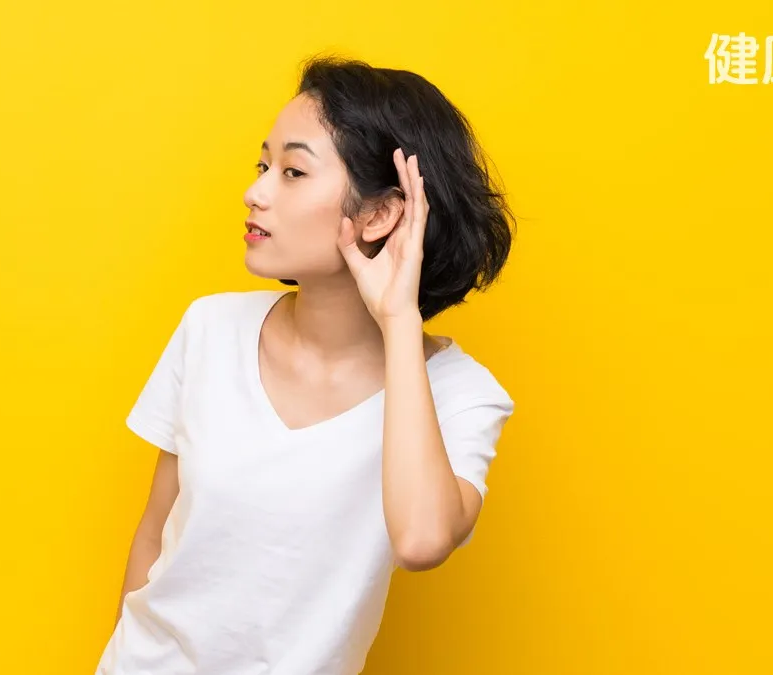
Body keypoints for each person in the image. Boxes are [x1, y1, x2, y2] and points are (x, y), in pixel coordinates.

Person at [95, 54, 517, 675]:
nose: (256, 192)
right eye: (263, 166)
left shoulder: (462, 395)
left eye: (293, 171)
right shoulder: (211, 329)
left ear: (380, 214)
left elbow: (422, 540)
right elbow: (155, 533)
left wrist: (399, 320)